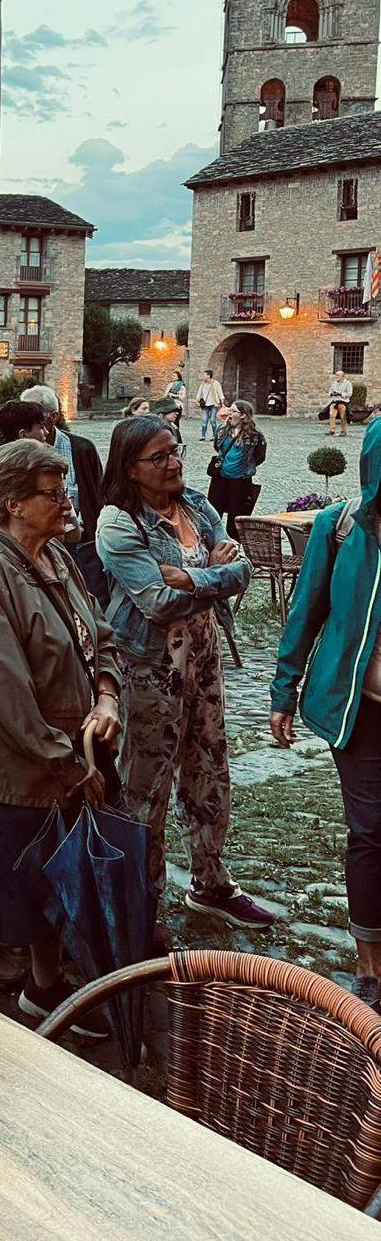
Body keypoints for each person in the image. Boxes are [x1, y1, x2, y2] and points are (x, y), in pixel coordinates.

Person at [0, 440, 122, 1033]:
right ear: (13, 503)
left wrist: (108, 695)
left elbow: (99, 632)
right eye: (52, 491)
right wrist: (68, 764)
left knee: (47, 879)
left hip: (56, 757)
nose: (66, 500)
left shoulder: (56, 558)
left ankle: (44, 990)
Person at [96, 416, 271, 930]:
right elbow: (154, 601)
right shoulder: (118, 522)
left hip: (203, 655)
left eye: (176, 452)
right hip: (150, 667)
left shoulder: (195, 502)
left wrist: (192, 576)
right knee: (145, 783)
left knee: (209, 765)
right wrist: (214, 575)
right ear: (131, 467)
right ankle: (139, 898)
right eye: (160, 456)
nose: (174, 463)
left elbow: (245, 570)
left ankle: (211, 882)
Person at [271, 421, 381, 1010]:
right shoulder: (337, 529)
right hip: (357, 710)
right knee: (370, 832)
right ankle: (371, 967)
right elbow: (304, 613)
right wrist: (283, 691)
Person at [21, 384, 106, 603]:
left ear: (54, 417)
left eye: (35, 414)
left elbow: (99, 496)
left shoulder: (82, 449)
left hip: (78, 544)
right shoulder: (18, 454)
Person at [208, 399, 266, 533]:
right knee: (213, 514)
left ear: (243, 415)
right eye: (230, 410)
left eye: (233, 411)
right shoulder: (222, 430)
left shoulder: (254, 436)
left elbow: (259, 457)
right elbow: (217, 447)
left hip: (240, 480)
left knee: (236, 518)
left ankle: (233, 546)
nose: (229, 414)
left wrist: (244, 465)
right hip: (220, 479)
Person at [195, 368, 224, 442]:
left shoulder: (215, 383)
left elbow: (220, 393)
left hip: (214, 404)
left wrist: (222, 402)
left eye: (204, 374)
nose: (203, 376)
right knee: (204, 421)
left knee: (212, 420)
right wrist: (197, 400)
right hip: (205, 405)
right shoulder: (202, 384)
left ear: (208, 375)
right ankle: (203, 436)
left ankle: (214, 436)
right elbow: (199, 393)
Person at [328, 367, 354, 437]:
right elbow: (330, 391)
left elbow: (350, 393)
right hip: (335, 401)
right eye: (336, 375)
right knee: (331, 415)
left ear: (342, 376)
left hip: (343, 402)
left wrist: (340, 394)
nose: (336, 377)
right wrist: (332, 394)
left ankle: (343, 431)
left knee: (343, 417)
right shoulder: (334, 383)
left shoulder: (348, 383)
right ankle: (332, 431)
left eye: (338, 375)